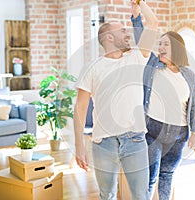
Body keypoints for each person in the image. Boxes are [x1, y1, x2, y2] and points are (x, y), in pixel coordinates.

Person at [73, 1, 158, 200]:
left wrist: (139, 6)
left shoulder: (137, 57)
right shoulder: (92, 68)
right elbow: (80, 108)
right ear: (109, 37)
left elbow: (152, 23)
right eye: (122, 31)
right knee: (107, 195)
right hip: (103, 143)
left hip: (135, 140)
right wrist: (79, 146)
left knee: (141, 196)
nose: (127, 33)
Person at [131, 7, 195, 200]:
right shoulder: (153, 65)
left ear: (177, 49)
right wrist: (136, 16)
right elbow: (142, 40)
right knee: (150, 177)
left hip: (179, 134)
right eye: (159, 44)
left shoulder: (190, 76)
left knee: (167, 175)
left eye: (165, 45)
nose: (160, 47)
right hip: (154, 129)